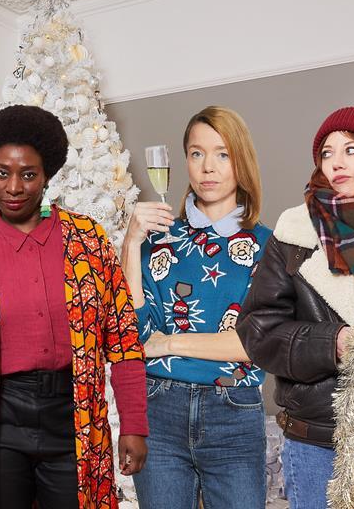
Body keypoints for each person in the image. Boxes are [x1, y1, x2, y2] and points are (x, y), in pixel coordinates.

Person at [0, 105, 147, 508]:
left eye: (28, 174)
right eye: (2, 173)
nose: (13, 187)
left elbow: (123, 339)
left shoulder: (88, 241)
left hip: (73, 416)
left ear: (47, 175)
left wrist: (134, 425)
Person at [237, 106, 354, 508]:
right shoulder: (294, 234)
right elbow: (257, 330)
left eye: (351, 150)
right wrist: (331, 342)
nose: (336, 162)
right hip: (320, 440)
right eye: (327, 153)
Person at [121, 106, 271, 508]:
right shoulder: (157, 240)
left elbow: (255, 343)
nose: (208, 167)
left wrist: (170, 343)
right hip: (159, 411)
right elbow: (134, 335)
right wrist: (131, 244)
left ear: (241, 161)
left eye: (222, 154)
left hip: (234, 411)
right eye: (196, 153)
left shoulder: (268, 247)